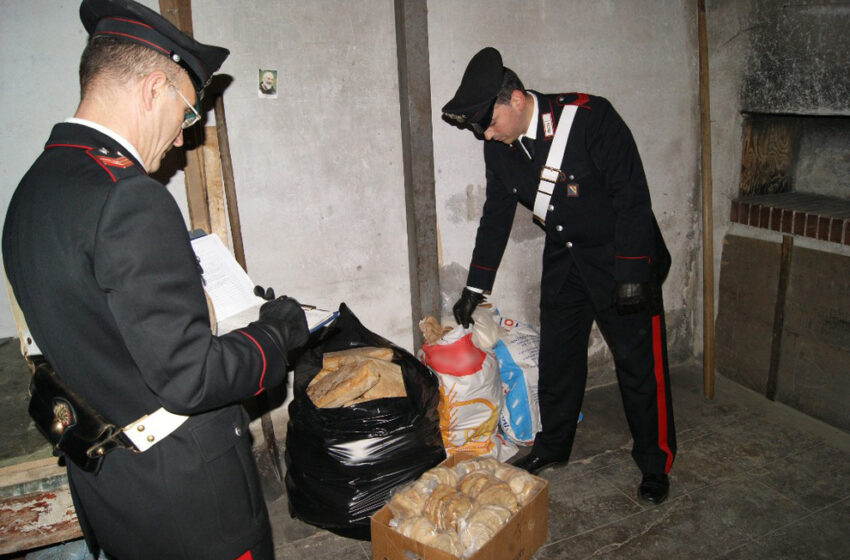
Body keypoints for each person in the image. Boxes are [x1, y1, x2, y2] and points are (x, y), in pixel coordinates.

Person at [2, 1, 309, 558]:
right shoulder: (129, 198)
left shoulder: (32, 191)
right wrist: (276, 335)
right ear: (152, 90)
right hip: (187, 498)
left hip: (114, 487)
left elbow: (107, 330)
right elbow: (190, 377)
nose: (179, 141)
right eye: (187, 115)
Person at [442, 47, 676, 505]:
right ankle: (554, 445)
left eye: (489, 123)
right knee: (558, 359)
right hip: (566, 258)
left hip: (621, 257)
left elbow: (632, 198)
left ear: (514, 99)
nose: (486, 135)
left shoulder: (590, 118)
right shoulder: (499, 146)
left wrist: (632, 274)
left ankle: (655, 460)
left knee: (640, 368)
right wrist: (475, 286)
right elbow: (495, 215)